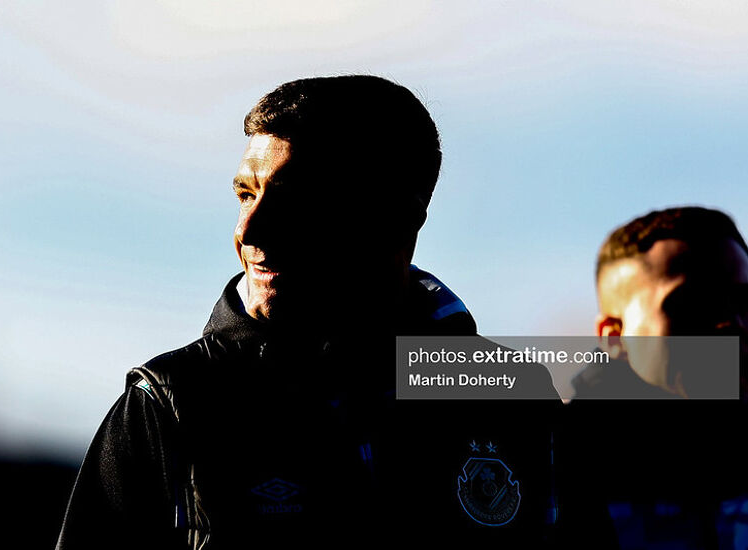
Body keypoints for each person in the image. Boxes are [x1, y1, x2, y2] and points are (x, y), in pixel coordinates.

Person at [56, 75, 602, 550]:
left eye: (294, 198)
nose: (250, 230)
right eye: (246, 194)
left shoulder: (512, 399)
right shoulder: (173, 404)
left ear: (395, 220)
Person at [569, 206, 748, 548]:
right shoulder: (552, 470)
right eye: (695, 304)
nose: (732, 325)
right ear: (614, 337)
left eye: (744, 302)